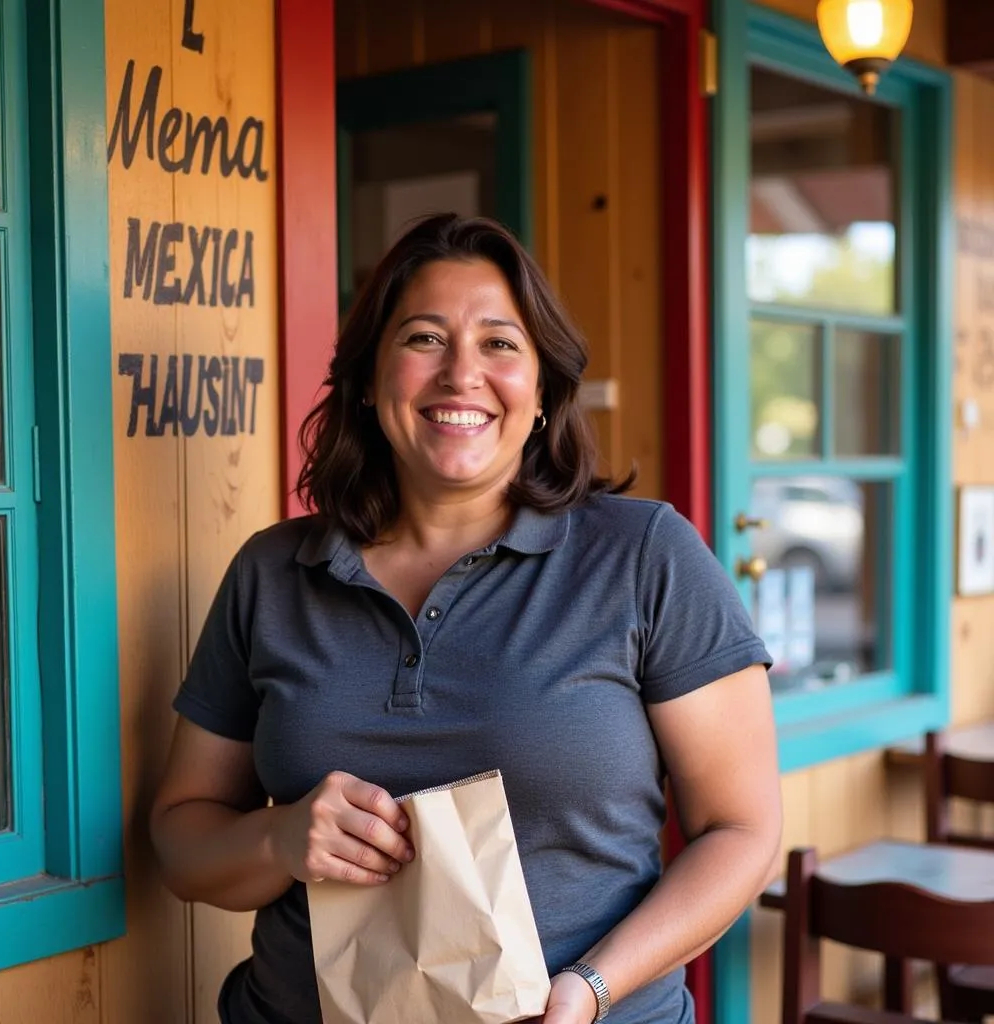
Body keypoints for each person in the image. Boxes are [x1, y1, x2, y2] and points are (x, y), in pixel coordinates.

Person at [150, 213, 782, 1024]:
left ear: (546, 389)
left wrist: (589, 990)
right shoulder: (273, 574)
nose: (460, 374)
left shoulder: (644, 556)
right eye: (422, 338)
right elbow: (181, 840)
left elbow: (742, 830)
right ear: (370, 382)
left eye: (499, 343)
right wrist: (279, 840)